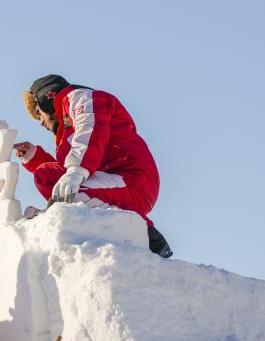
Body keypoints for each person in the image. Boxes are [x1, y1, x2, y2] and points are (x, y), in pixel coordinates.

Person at [14, 74, 172, 258]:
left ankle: (147, 234)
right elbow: (61, 173)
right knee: (49, 178)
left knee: (62, 190)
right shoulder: (66, 131)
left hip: (131, 178)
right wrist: (34, 157)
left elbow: (91, 131)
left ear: (45, 98)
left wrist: (75, 171)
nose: (40, 122)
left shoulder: (81, 98)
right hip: (110, 179)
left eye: (38, 113)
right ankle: (108, 230)